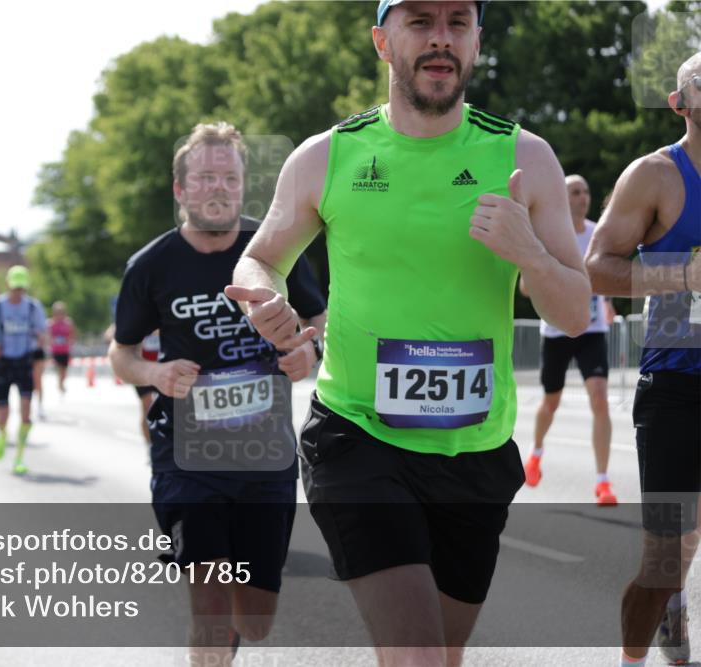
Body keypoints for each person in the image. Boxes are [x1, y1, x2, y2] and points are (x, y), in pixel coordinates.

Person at [226, 2, 592, 664]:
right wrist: (267, 300)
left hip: (475, 452)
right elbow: (260, 258)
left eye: (458, 23)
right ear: (381, 40)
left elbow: (572, 315)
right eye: (420, 22)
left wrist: (531, 257)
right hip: (358, 437)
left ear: (477, 41)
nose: (440, 39)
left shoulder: (525, 157)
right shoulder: (327, 156)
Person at [109, 121, 327, 665]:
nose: (218, 189)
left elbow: (320, 321)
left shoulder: (272, 251)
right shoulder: (151, 266)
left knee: (253, 618)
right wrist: (156, 374)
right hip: (188, 456)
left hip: (264, 454)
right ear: (181, 190)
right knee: (208, 597)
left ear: (242, 185)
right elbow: (121, 353)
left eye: (229, 178)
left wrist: (311, 353)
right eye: (205, 178)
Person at [584, 53, 701, 667]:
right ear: (680, 103)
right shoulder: (656, 175)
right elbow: (598, 268)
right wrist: (682, 274)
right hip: (678, 384)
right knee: (664, 561)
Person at [520, 174, 619, 506]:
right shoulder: (549, 234)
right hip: (557, 330)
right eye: (575, 192)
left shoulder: (597, 234)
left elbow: (605, 275)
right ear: (562, 197)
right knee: (551, 402)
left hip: (592, 330)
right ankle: (535, 453)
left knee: (600, 399)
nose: (583, 197)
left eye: (586, 191)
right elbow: (525, 287)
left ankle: (603, 482)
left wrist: (607, 302)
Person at [0, 265, 48, 475]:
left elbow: (43, 331)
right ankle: (2, 433)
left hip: (24, 361)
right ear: (8, 285)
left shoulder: (33, 307)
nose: (18, 292)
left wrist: (41, 340)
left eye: (21, 288)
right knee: (3, 412)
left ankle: (19, 456)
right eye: (15, 288)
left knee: (26, 411)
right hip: (2, 362)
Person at [49, 301, 77, 396]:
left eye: (61, 312)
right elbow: (48, 336)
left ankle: (61, 382)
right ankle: (60, 383)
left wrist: (69, 341)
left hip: (65, 350)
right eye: (57, 312)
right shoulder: (50, 323)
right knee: (58, 368)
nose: (59, 315)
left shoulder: (68, 323)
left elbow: (73, 334)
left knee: (64, 370)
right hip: (55, 350)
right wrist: (52, 341)